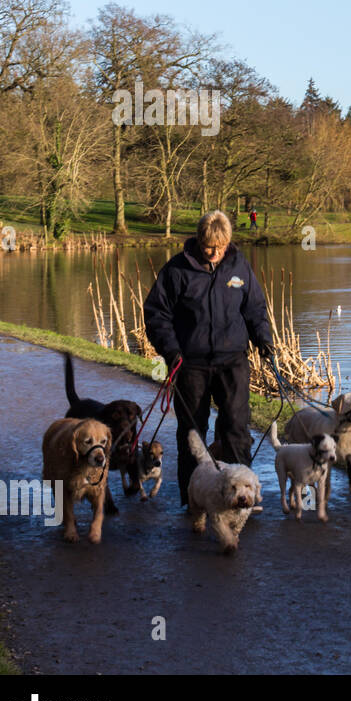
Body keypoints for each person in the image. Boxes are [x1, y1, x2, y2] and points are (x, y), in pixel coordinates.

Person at [143, 210, 273, 507]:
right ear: (199, 241)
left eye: (221, 247)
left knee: (236, 429)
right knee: (192, 434)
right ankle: (193, 500)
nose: (215, 253)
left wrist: (263, 339)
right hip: (191, 363)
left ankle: (243, 497)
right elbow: (156, 315)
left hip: (233, 361)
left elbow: (254, 307)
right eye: (209, 247)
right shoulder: (176, 270)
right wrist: (172, 350)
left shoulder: (239, 264)